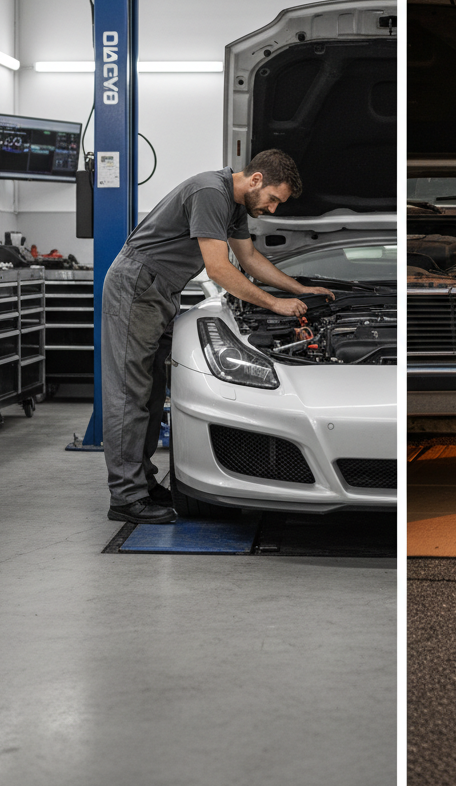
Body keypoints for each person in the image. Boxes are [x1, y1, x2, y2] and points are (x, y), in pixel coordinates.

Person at [102, 148, 334, 523]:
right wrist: (275, 305)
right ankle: (125, 497)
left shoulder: (237, 206)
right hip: (137, 287)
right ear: (256, 179)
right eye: (274, 199)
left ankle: (141, 482)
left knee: (152, 390)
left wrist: (298, 290)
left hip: (159, 290)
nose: (273, 210)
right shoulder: (210, 191)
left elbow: (250, 260)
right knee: (130, 393)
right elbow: (218, 269)